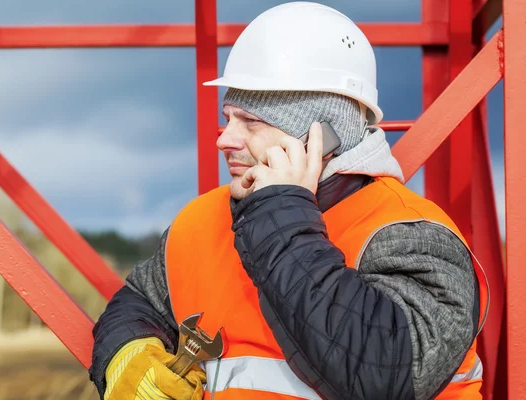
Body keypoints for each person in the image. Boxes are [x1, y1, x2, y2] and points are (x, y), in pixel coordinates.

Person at [89, 2, 489, 399]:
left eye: (252, 122)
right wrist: (129, 353)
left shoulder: (414, 237)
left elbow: (381, 374)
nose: (224, 139)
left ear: (323, 138)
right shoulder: (201, 219)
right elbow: (140, 300)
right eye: (228, 117)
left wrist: (280, 211)